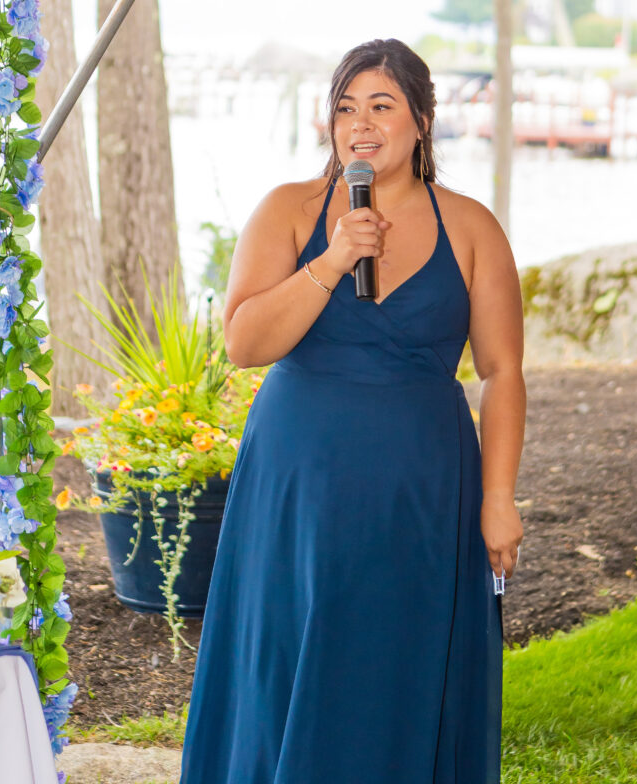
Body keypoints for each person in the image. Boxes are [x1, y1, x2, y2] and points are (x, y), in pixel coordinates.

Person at [179, 38, 526, 784]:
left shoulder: (471, 227)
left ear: (422, 121)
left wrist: (497, 499)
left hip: (422, 494)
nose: (358, 124)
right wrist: (331, 260)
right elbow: (242, 343)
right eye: (344, 107)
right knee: (292, 658)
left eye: (380, 105)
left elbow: (502, 373)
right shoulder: (287, 210)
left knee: (395, 659)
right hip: (297, 485)